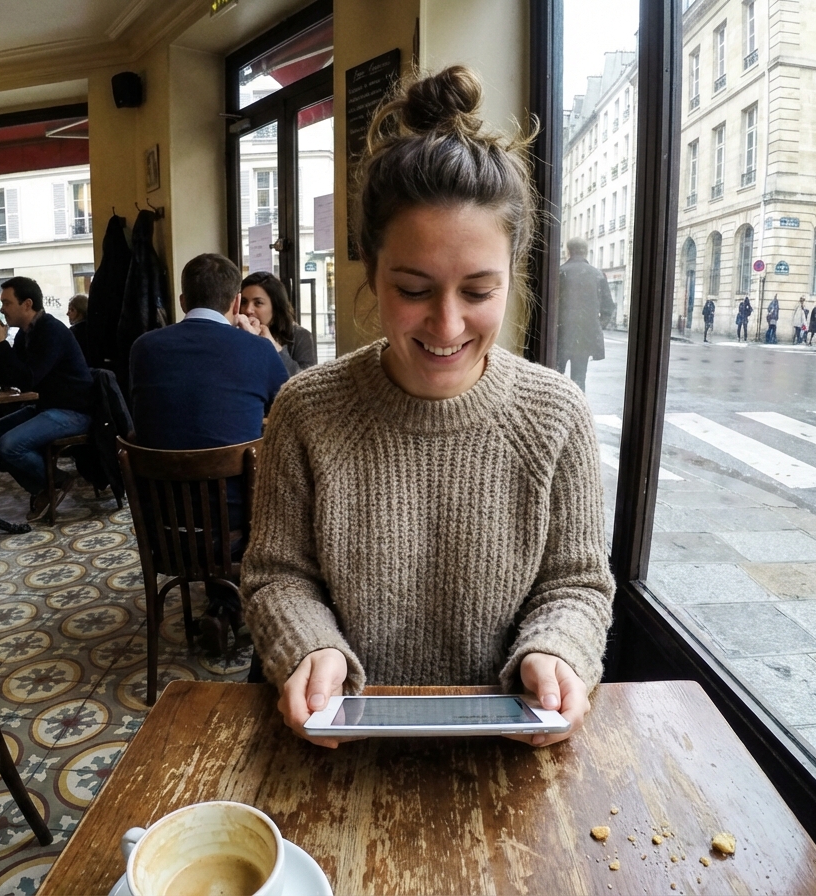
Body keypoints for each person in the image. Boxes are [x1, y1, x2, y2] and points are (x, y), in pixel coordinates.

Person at [242, 66, 614, 750]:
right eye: (414, 288)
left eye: (477, 292)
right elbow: (277, 573)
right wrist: (307, 647)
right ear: (370, 273)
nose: (446, 327)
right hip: (337, 746)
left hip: (503, 751)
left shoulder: (557, 413)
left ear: (513, 277)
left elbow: (577, 581)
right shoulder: (305, 410)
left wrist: (558, 651)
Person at [129, 253, 288, 518]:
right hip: (239, 517)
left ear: (183, 302)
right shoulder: (258, 350)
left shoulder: (143, 348)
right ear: (236, 302)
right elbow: (288, 413)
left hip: (161, 518)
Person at [0, 276, 94, 521]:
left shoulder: (50, 330)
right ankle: (45, 485)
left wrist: (1, 346)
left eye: (6, 303)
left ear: (27, 304)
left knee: (9, 445)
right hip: (48, 407)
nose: (1, 309)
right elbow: (7, 380)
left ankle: (57, 481)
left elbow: (28, 380)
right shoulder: (24, 334)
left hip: (75, 411)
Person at [556, 237, 613, 392]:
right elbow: (608, 307)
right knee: (579, 380)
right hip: (585, 337)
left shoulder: (559, 273)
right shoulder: (597, 275)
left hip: (561, 335)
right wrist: (595, 326)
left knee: (555, 378)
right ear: (586, 252)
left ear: (568, 251)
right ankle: (577, 414)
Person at [240, 272, 318, 376]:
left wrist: (271, 344)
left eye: (258, 303)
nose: (248, 310)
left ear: (275, 307)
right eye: (244, 302)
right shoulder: (236, 332)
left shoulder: (300, 336)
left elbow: (306, 381)